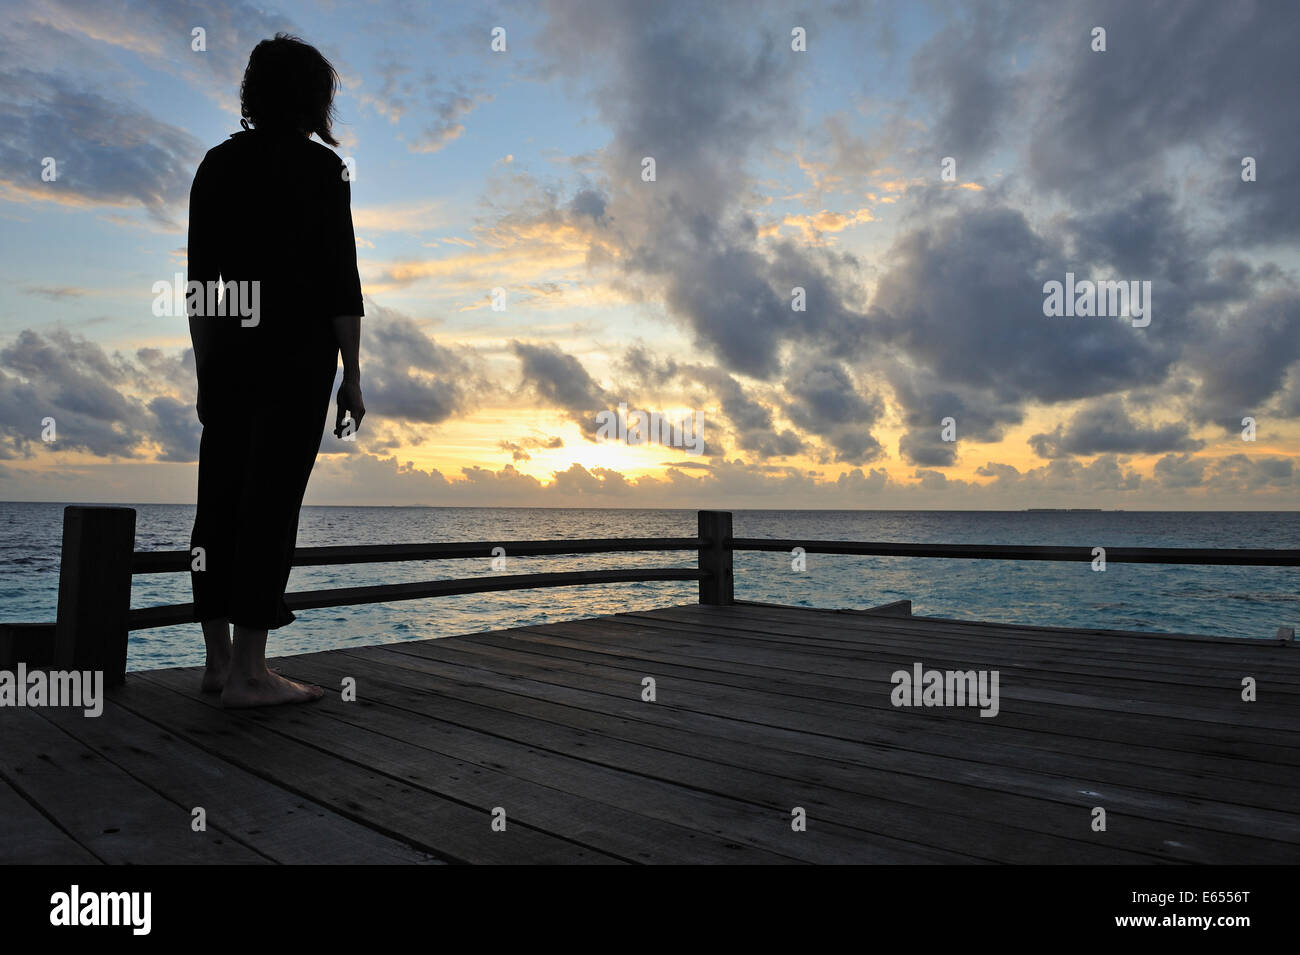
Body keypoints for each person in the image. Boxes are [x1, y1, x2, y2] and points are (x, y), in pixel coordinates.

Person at [186, 34, 365, 707]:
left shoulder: (215, 166)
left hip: (227, 355)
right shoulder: (325, 172)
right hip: (296, 355)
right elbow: (339, 283)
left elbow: (199, 284)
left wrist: (207, 365)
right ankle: (252, 673)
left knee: (220, 499)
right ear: (314, 99)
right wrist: (352, 374)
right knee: (270, 503)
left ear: (252, 95)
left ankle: (217, 661)